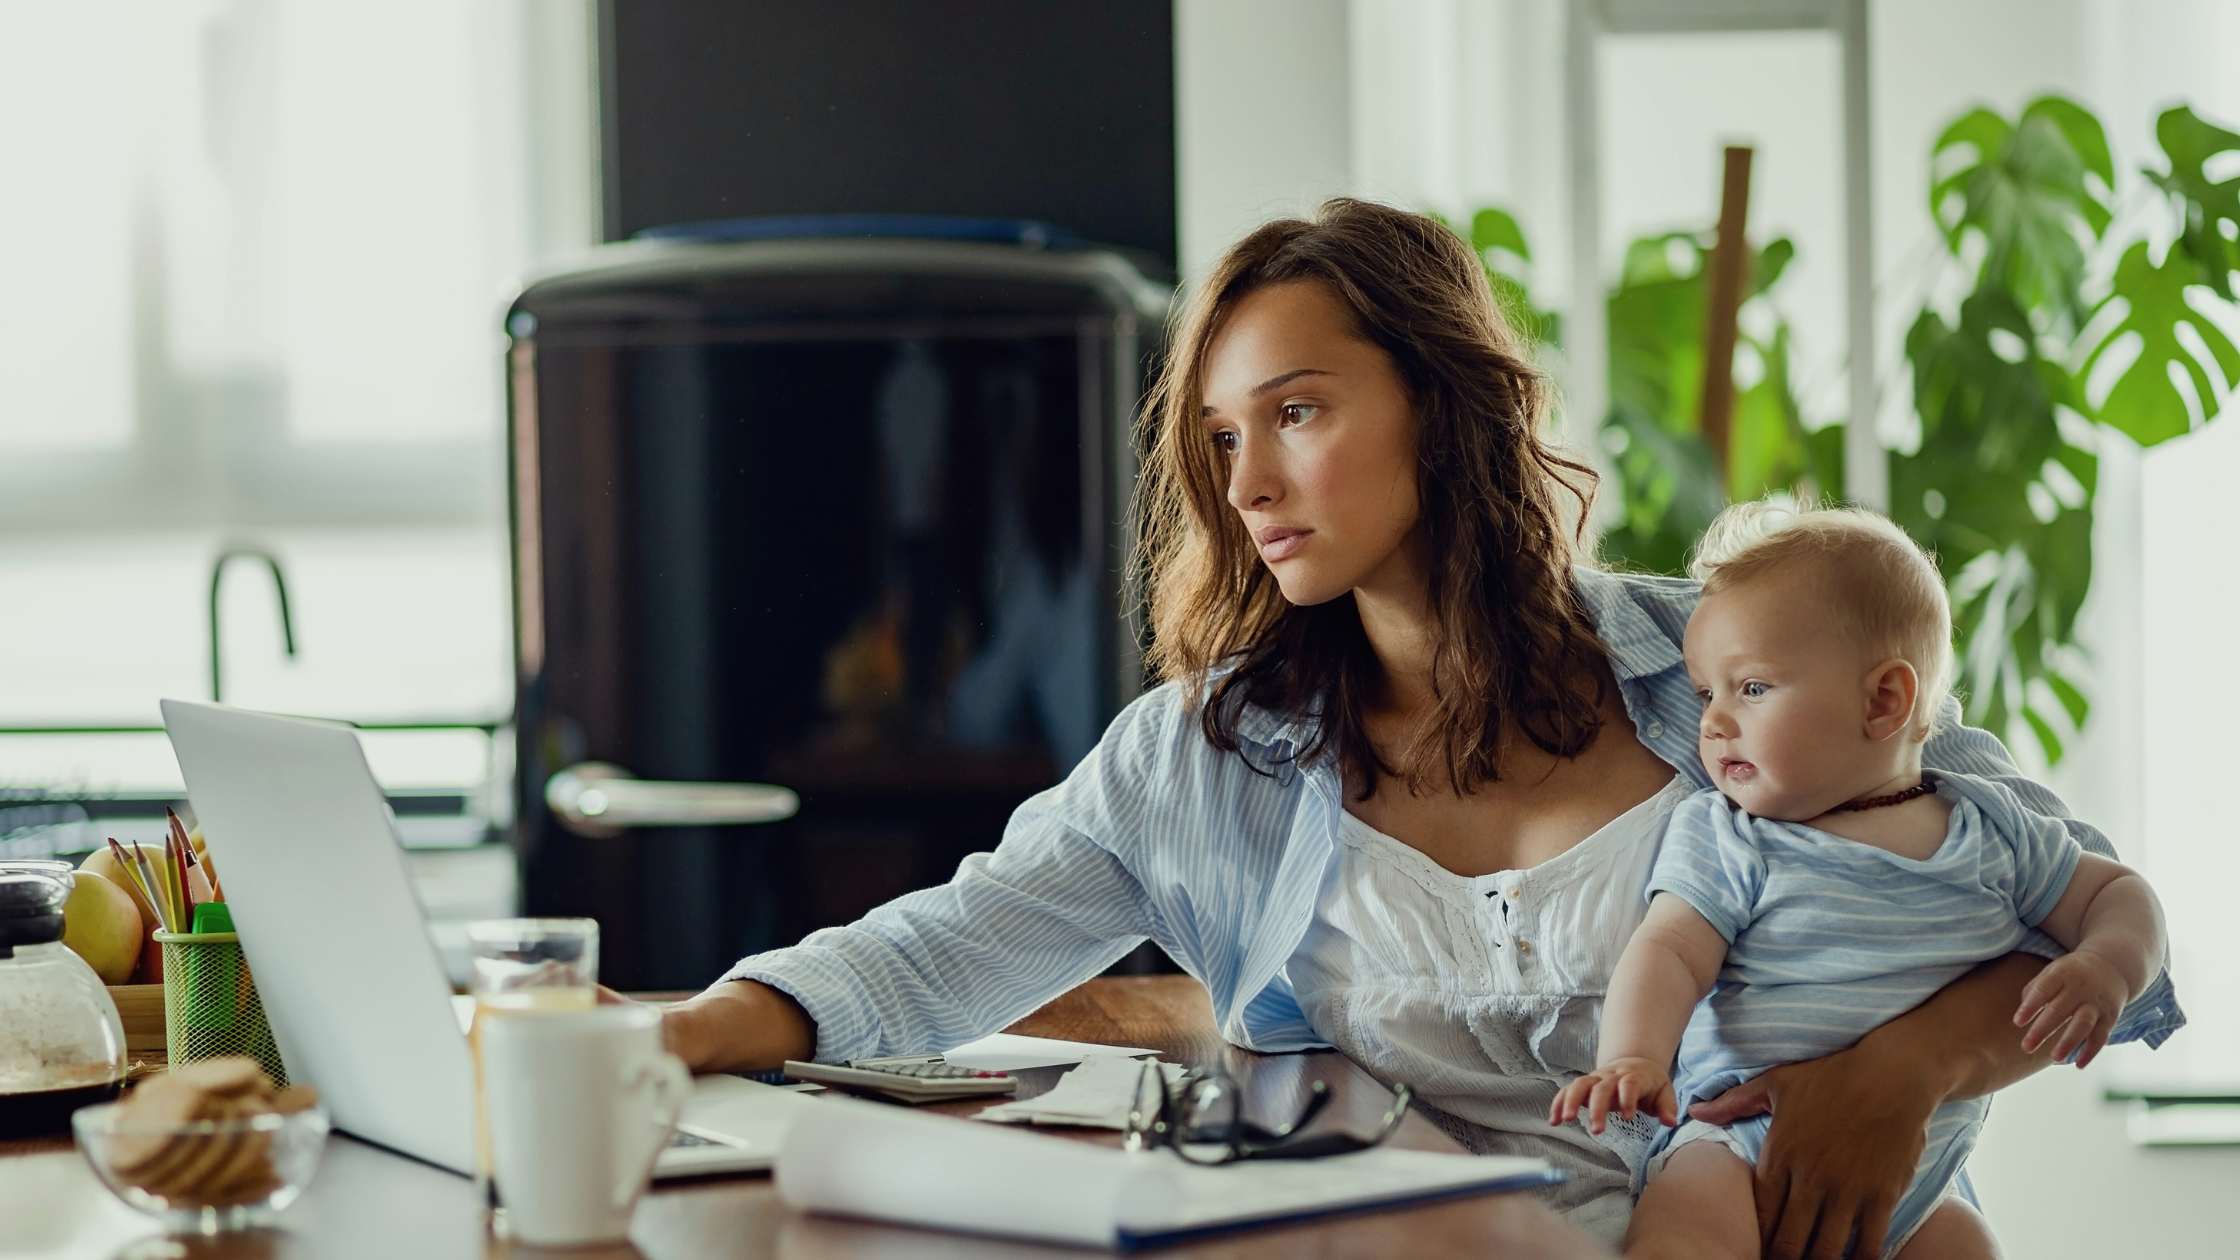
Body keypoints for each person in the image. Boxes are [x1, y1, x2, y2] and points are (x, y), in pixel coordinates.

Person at [649, 200, 2184, 1252]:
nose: (1248, 485)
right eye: (1223, 437)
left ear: (1444, 405)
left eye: (1297, 412)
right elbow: (938, 953)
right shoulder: (1203, 758)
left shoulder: (1725, 662)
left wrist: (1905, 1069)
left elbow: (2075, 906)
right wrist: (670, 1035)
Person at [1549, 502, 2172, 1258]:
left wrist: (2107, 963)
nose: (1711, 722)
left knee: (1970, 1247)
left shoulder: (1991, 830)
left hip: (1912, 1176)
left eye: (1751, 689)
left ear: (1883, 701)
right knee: (1688, 1233)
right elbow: (1671, 950)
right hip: (1732, 1143)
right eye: (1706, 692)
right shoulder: (1732, 835)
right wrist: (1634, 1058)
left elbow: (2116, 894)